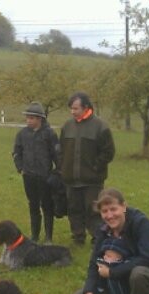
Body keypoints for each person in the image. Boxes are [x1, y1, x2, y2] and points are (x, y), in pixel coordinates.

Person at [59, 92, 116, 245]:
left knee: (94, 210)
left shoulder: (100, 127)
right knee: (74, 209)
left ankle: (98, 237)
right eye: (71, 108)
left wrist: (96, 167)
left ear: (86, 108)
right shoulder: (67, 126)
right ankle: (78, 236)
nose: (72, 112)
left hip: (92, 180)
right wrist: (63, 168)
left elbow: (108, 152)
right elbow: (62, 150)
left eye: (76, 108)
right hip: (71, 179)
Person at [12, 102, 61, 243]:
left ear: (40, 119)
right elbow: (17, 152)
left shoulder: (50, 134)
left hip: (45, 176)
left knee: (47, 206)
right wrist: (20, 167)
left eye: (32, 118)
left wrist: (58, 172)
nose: (28, 120)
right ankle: (34, 236)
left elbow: (57, 155)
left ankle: (48, 237)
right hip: (28, 176)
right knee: (33, 205)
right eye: (27, 118)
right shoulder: (22, 134)